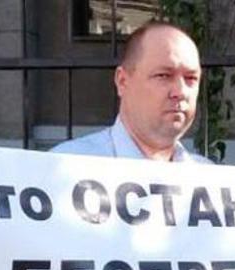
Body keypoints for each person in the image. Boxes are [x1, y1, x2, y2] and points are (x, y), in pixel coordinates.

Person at [51, 22, 212, 164]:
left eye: (191, 78)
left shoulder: (209, 180)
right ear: (122, 81)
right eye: (163, 75)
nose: (181, 91)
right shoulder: (67, 165)